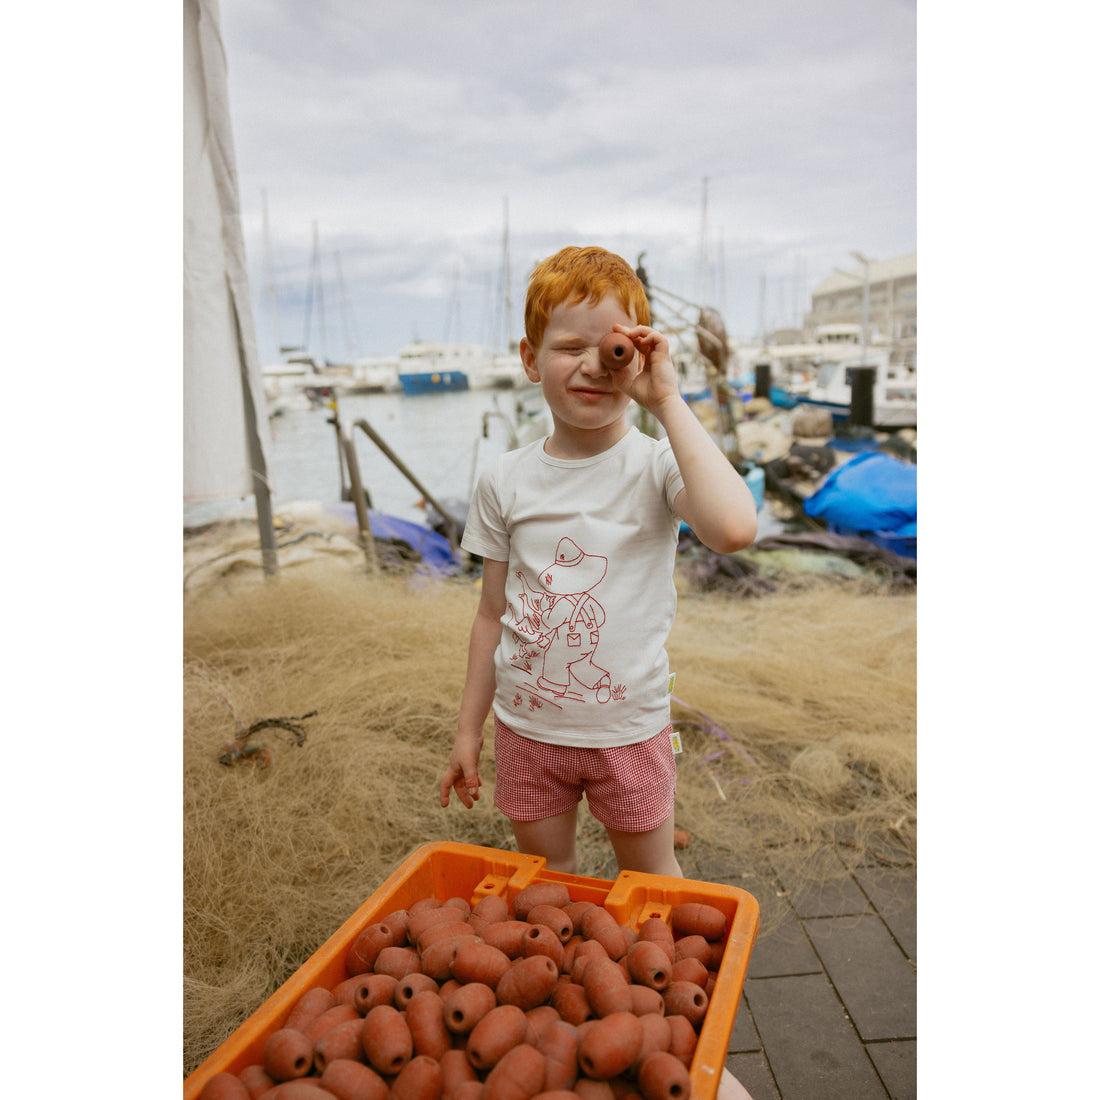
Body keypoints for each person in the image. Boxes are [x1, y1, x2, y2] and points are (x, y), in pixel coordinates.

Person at [440, 245, 757, 1099]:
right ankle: (578, 1042)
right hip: (530, 735)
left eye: (610, 345)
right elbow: (488, 615)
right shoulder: (506, 478)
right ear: (528, 358)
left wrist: (667, 398)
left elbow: (733, 528)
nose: (590, 364)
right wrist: (469, 730)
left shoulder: (656, 466)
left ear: (637, 352)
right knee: (549, 903)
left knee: (654, 902)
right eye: (566, 346)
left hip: (628, 735)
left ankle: (690, 1053)